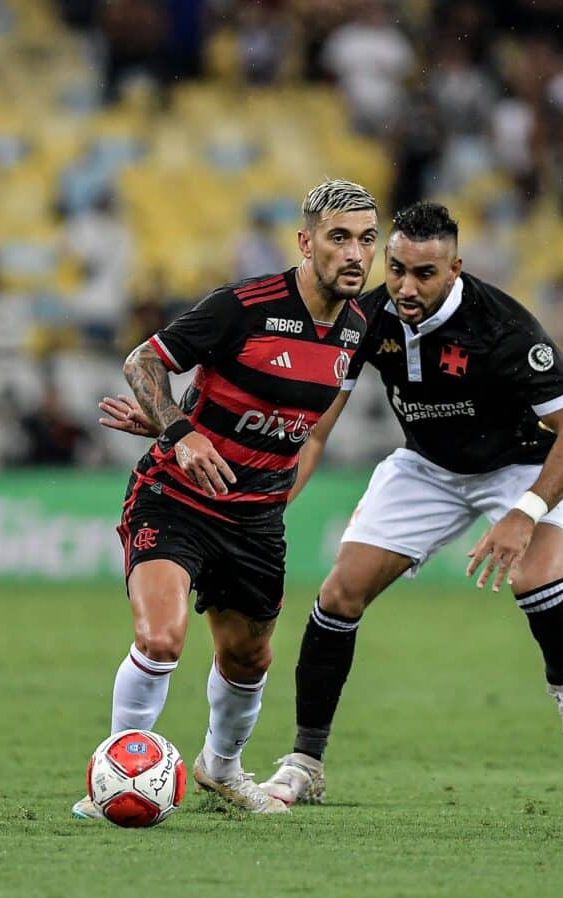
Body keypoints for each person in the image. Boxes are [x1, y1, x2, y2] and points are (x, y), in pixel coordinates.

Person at [101, 202, 563, 807]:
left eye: (424, 273)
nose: (404, 286)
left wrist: (523, 514)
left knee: (536, 582)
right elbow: (313, 429)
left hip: (518, 466)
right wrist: (219, 464)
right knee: (338, 597)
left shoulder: (503, 328)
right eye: (395, 269)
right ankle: (306, 761)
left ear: (456, 269)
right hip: (427, 467)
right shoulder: (367, 315)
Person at [73, 179, 378, 819]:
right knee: (161, 639)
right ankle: (113, 774)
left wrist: (271, 500)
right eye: (340, 237)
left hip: (255, 518)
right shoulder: (243, 305)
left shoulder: (356, 331)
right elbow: (142, 364)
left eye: (367, 239)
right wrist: (179, 435)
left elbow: (309, 431)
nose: (356, 253)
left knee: (249, 654)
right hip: (175, 499)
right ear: (305, 242)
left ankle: (222, 768)